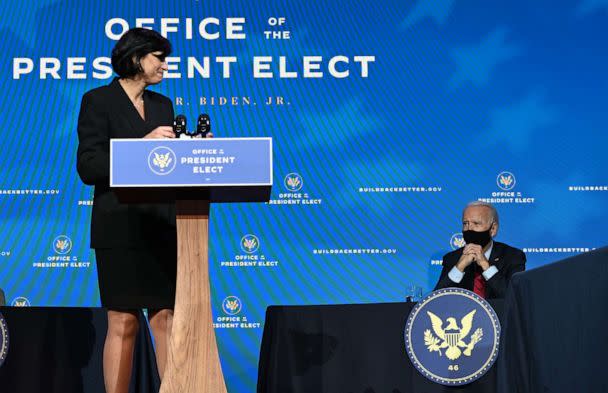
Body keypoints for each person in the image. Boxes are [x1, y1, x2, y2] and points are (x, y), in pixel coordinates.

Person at [76, 28, 177, 393]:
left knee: (165, 319)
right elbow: (89, 165)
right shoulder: (98, 101)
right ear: (136, 59)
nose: (165, 65)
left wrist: (194, 154)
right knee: (123, 321)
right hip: (119, 226)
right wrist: (140, 145)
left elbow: (168, 163)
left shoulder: (164, 105)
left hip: (161, 224)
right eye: (159, 57)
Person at [434, 201, 526, 299]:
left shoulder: (513, 256)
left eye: (476, 223)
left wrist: (486, 266)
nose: (469, 229)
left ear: (493, 229)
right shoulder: (452, 258)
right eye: (465, 223)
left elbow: (514, 298)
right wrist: (459, 267)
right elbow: (435, 300)